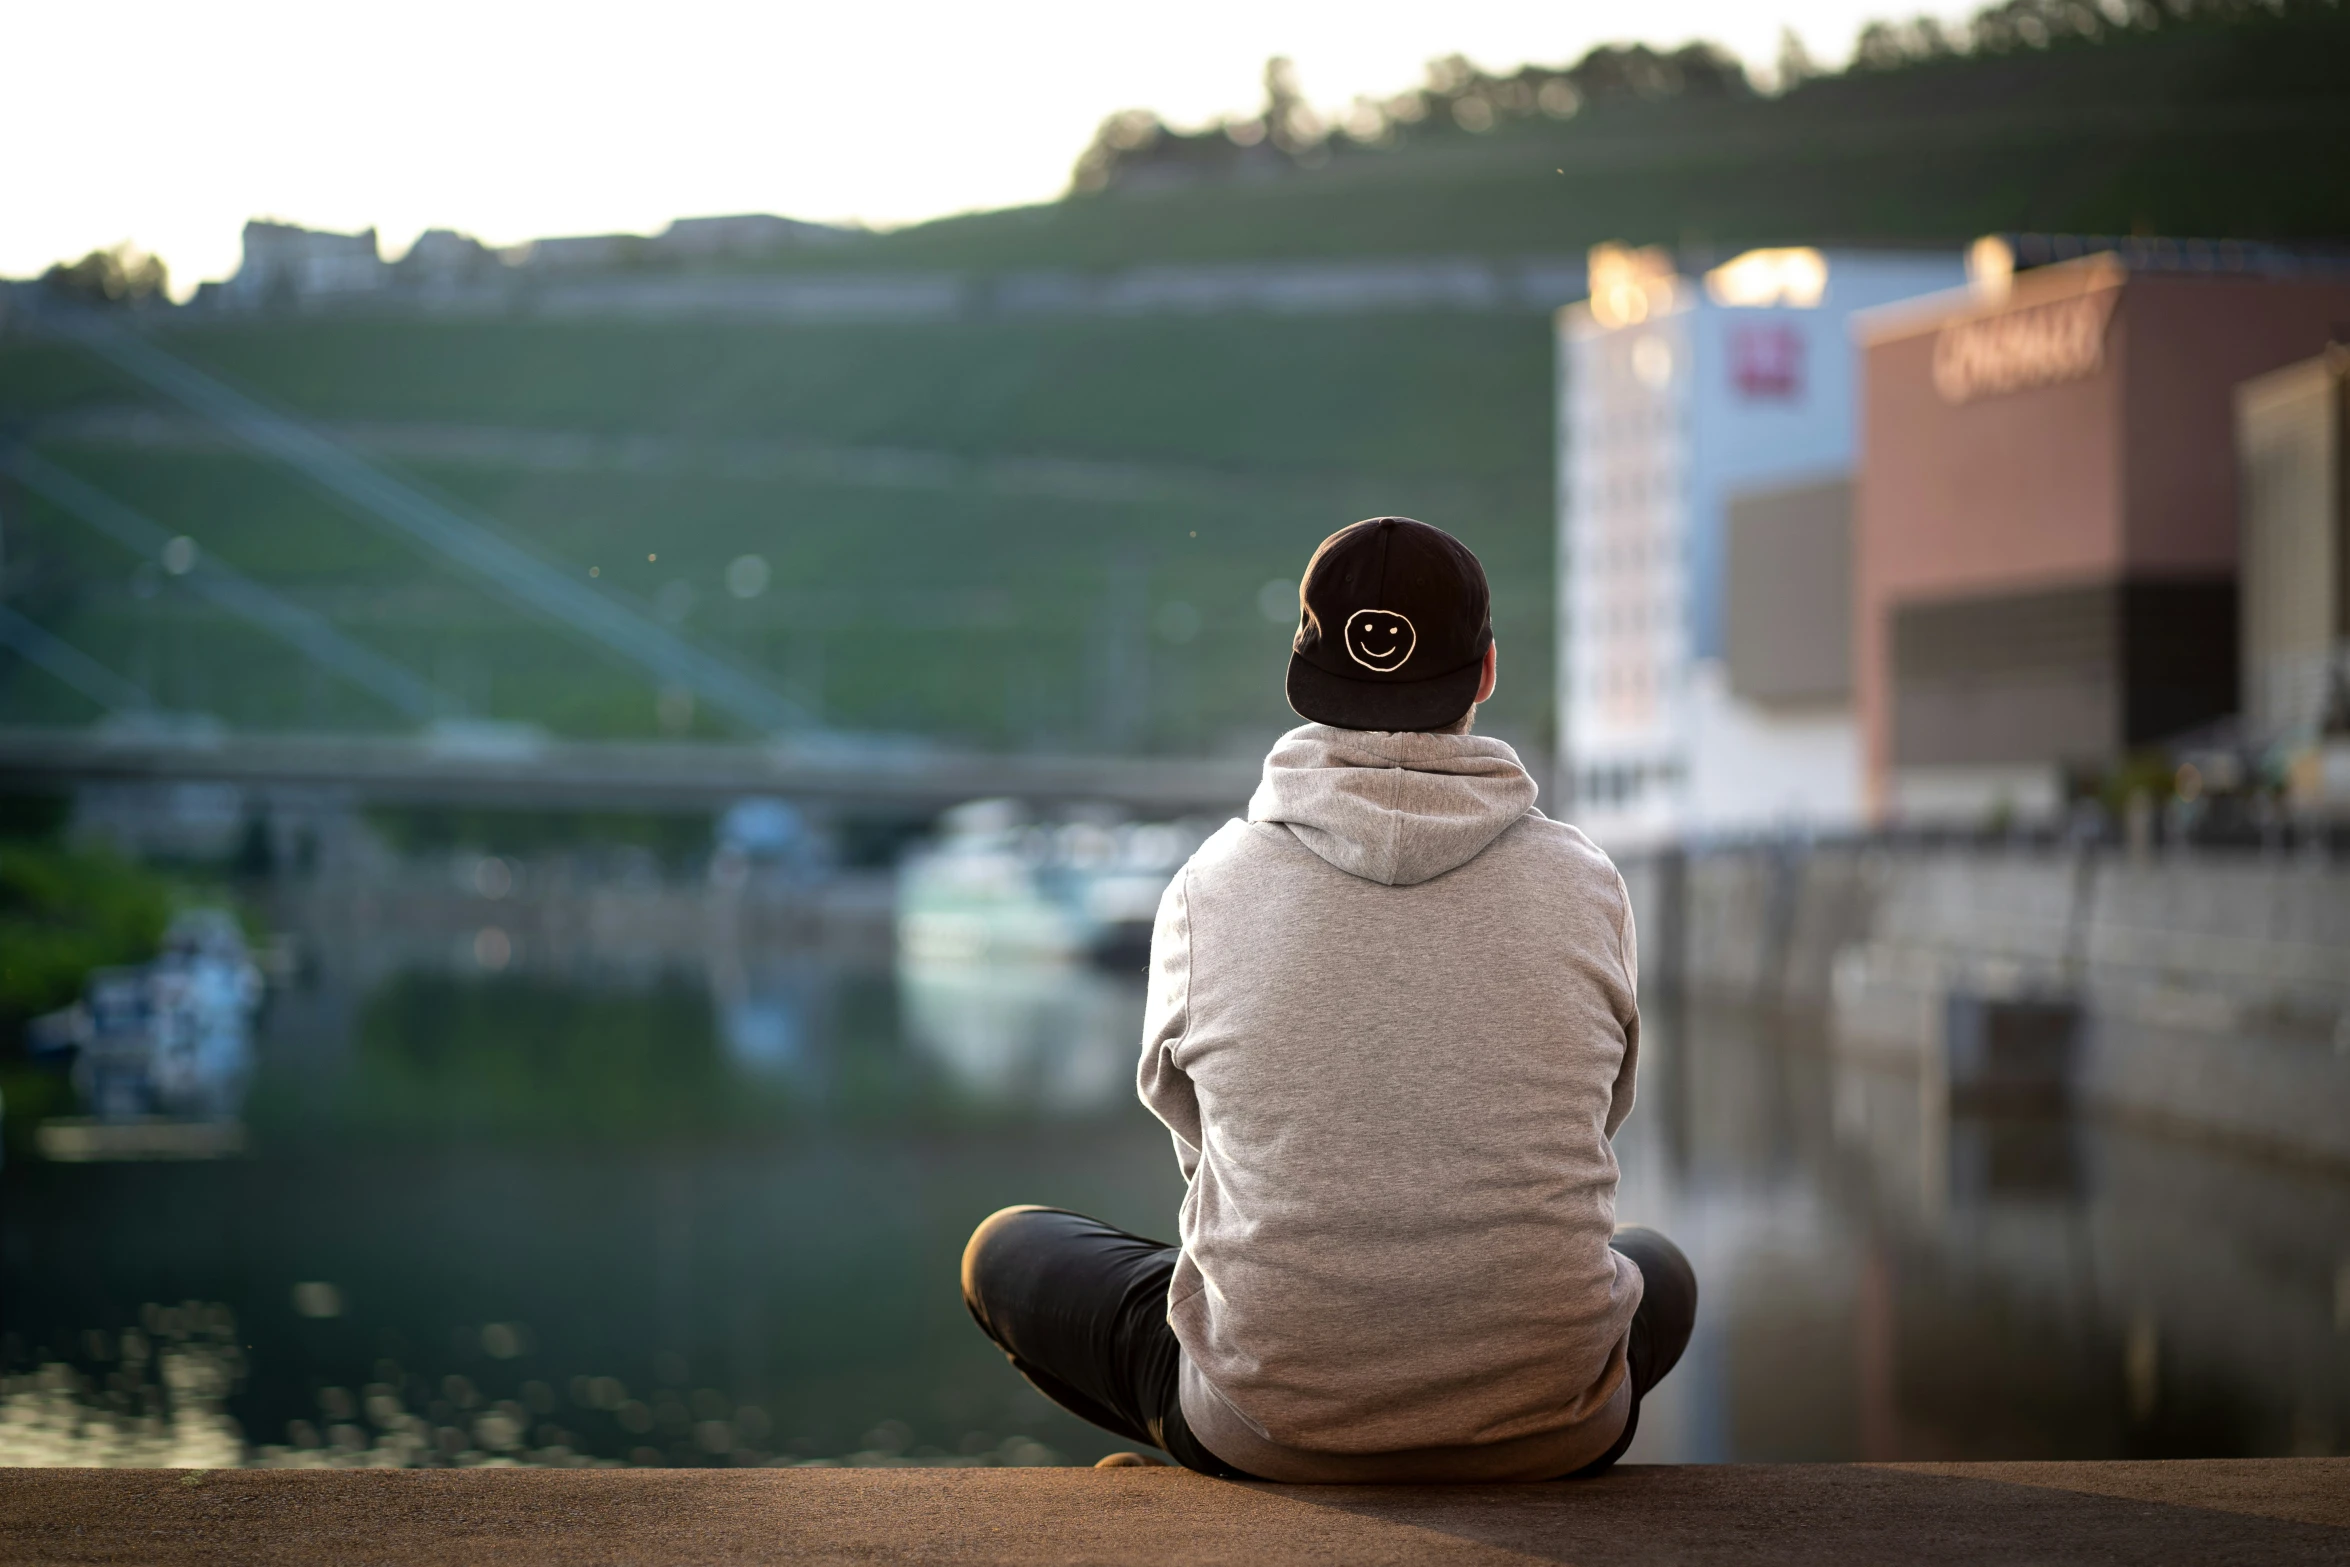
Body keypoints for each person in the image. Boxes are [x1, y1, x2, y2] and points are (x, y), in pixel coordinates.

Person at [962, 516, 1695, 1481]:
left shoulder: (1207, 886)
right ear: (1483, 674)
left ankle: (1212, 1450)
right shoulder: (1588, 881)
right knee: (1661, 1270)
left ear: (1305, 681)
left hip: (1268, 1426)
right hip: (1559, 1419)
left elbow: (1203, 1147)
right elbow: (1597, 1117)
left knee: (1003, 1251)